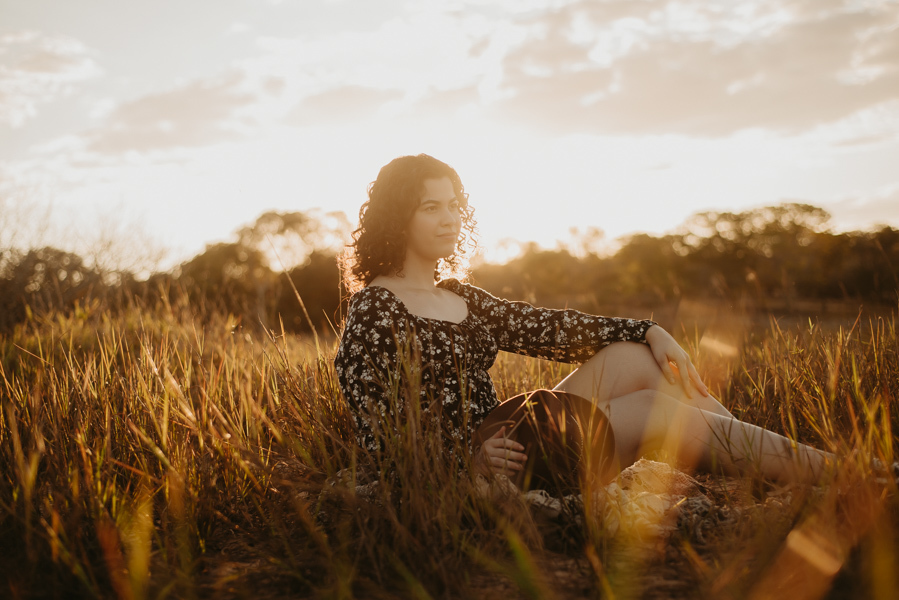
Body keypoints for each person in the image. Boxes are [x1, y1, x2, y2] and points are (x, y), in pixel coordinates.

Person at [334, 153, 832, 491]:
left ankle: (765, 459)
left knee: (633, 358)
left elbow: (553, 329)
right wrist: (466, 460)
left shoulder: (459, 296)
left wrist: (649, 330)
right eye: (431, 207)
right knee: (651, 409)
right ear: (398, 219)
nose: (450, 219)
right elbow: (377, 426)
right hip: (492, 464)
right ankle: (836, 472)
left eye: (453, 206)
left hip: (511, 430)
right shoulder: (376, 309)